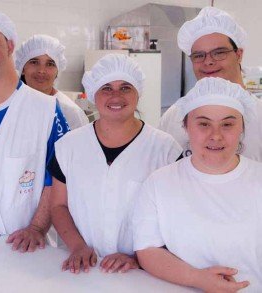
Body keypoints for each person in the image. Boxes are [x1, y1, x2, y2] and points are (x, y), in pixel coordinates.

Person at [49, 54, 182, 274]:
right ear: (94, 95)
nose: (116, 96)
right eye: (107, 88)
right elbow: (58, 206)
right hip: (83, 268)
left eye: (125, 88)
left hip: (143, 274)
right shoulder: (68, 147)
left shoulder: (165, 150)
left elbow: (175, 215)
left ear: (138, 93)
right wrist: (78, 247)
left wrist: (139, 257)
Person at [134, 77, 262, 292]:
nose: (216, 135)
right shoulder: (160, 183)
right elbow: (147, 249)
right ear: (186, 126)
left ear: (242, 127)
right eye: (204, 124)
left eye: (228, 124)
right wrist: (198, 278)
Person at [0, 10, 69, 251]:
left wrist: (36, 228)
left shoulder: (47, 110)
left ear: (10, 45)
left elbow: (60, 178)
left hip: (28, 252)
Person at [158, 6, 262, 161]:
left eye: (219, 53)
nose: (208, 62)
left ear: (239, 54)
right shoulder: (174, 117)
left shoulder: (259, 116)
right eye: (199, 55)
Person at [15, 34, 89, 130]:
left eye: (50, 64)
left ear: (57, 71)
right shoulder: (11, 105)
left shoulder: (70, 112)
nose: (41, 70)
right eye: (34, 62)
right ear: (23, 68)